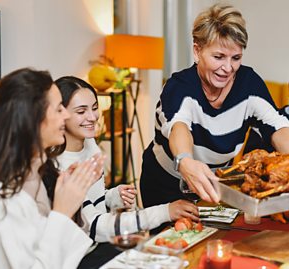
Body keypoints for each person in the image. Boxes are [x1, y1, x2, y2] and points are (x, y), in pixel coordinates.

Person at [139, 4, 289, 207]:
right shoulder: (180, 86)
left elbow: (278, 126)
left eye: (236, 58)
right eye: (218, 57)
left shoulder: (248, 84)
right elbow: (179, 128)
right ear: (197, 51)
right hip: (166, 184)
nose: (227, 68)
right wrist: (185, 161)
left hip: (216, 182)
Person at [54, 76, 199, 243]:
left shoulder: (89, 143)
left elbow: (89, 201)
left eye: (94, 108)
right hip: (83, 253)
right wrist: (164, 212)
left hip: (100, 243)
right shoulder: (60, 167)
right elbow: (93, 226)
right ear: (60, 114)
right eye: (81, 111)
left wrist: (112, 196)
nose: (93, 117)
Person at [0, 68, 102, 268]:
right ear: (33, 120)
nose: (66, 115)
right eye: (58, 109)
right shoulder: (3, 197)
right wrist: (62, 212)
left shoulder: (42, 171)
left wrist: (72, 198)